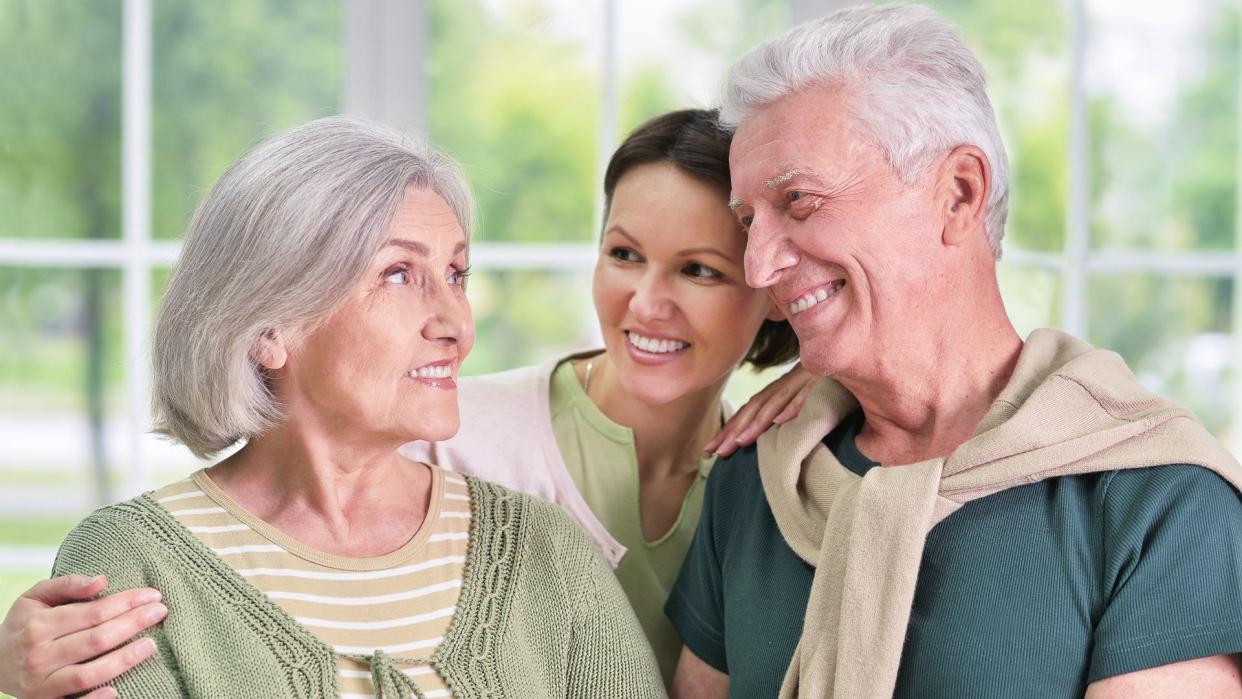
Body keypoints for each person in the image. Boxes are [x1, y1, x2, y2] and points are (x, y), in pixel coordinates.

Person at [0, 109, 811, 696]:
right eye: (400, 273)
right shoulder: (132, 567)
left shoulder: (542, 550)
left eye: (456, 274)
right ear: (268, 323)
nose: (455, 321)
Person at [666, 5, 1242, 699]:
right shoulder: (757, 477)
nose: (758, 267)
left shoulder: (1157, 503)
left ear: (959, 195)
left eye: (801, 201)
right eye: (749, 221)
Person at [400, 108, 804, 684]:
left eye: (698, 270)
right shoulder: (450, 441)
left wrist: (837, 378)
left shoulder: (776, 489)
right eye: (624, 255)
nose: (645, 303)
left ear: (773, 290)